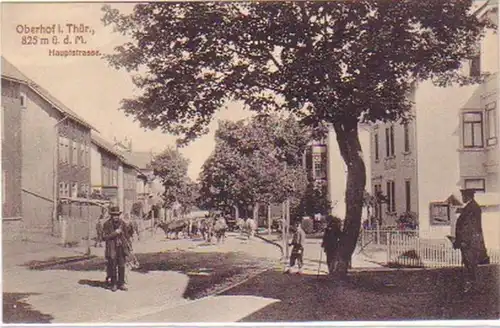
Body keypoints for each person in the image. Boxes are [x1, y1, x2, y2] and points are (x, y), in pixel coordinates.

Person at [453, 188, 489, 293]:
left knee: (471, 263)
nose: (462, 198)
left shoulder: (472, 208)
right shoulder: (471, 207)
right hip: (469, 241)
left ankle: (474, 286)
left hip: (470, 242)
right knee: (469, 263)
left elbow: (469, 227)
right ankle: (473, 285)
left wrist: (464, 241)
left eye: (463, 196)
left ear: (467, 196)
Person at [102, 206, 130, 292]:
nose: (116, 217)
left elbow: (127, 236)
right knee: (112, 266)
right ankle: (113, 284)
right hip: (112, 248)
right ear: (111, 215)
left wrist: (129, 247)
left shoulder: (123, 224)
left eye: (117, 215)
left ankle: (121, 283)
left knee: (121, 265)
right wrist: (115, 233)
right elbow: (104, 237)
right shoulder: (106, 224)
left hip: (121, 248)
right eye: (114, 215)